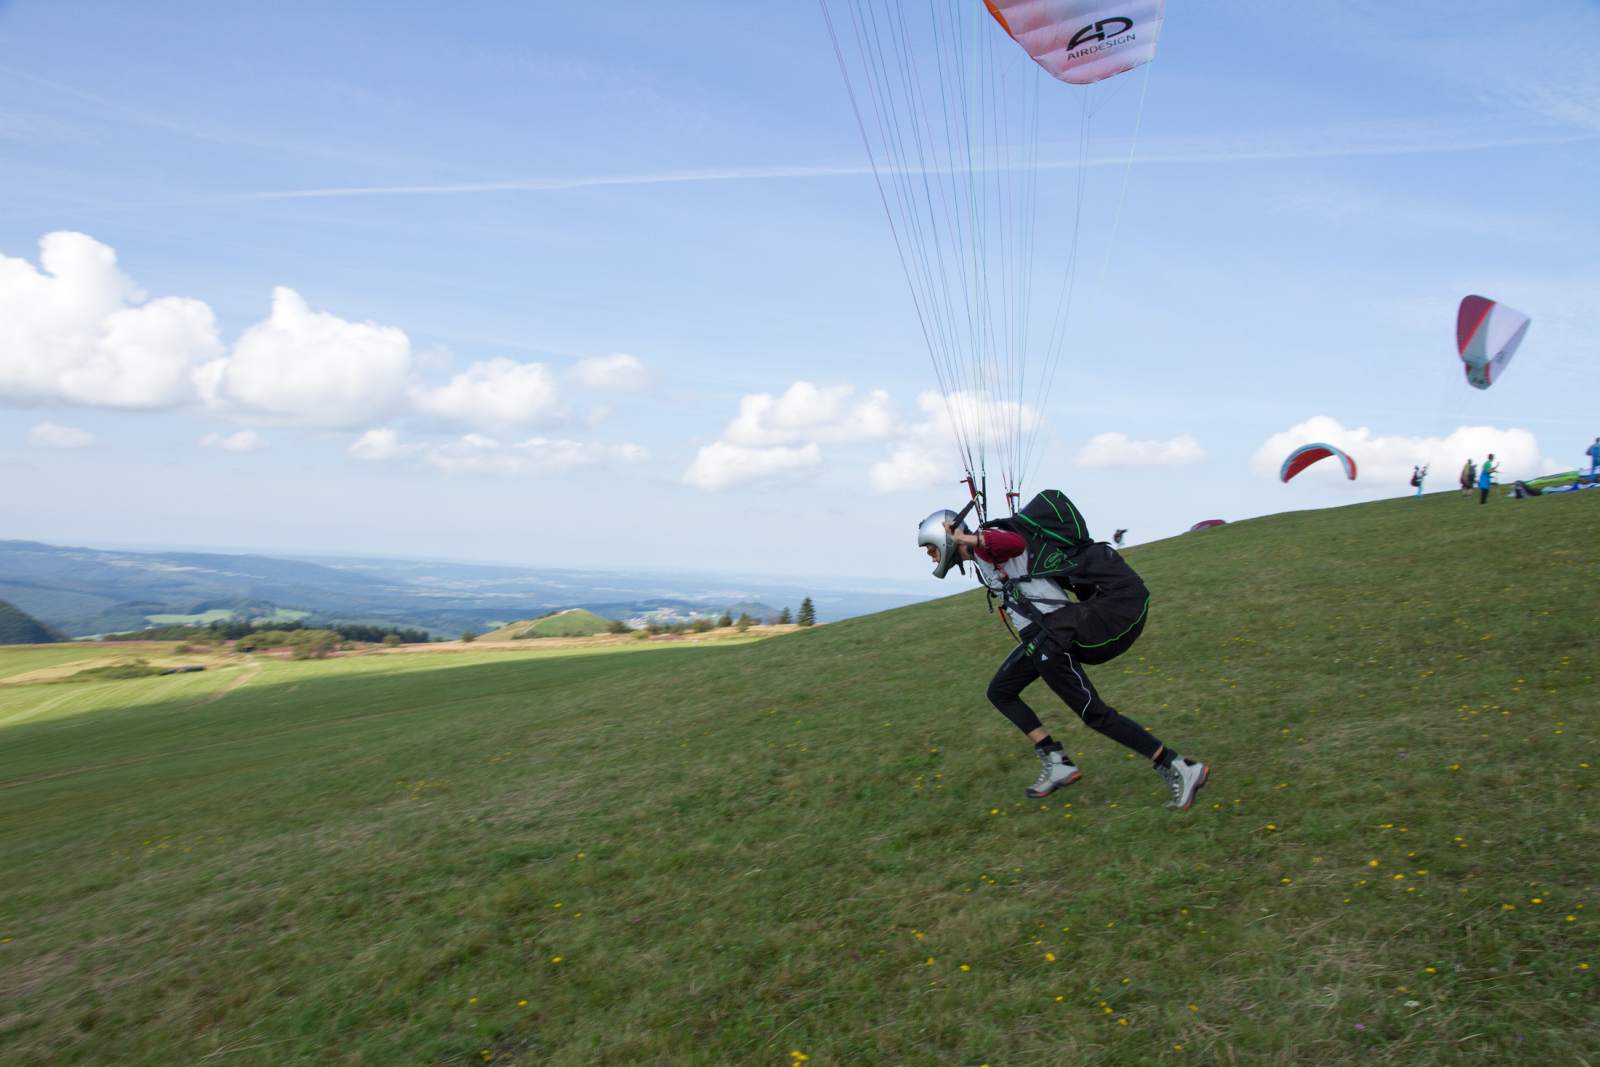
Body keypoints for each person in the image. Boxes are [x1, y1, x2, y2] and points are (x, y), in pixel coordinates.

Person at [916, 496, 1209, 811]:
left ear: (945, 539)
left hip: (1053, 637)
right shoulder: (981, 557)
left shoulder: (988, 545)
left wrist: (970, 538)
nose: (933, 559)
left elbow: (1014, 543)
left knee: (1095, 714)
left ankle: (1178, 766)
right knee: (1000, 691)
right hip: (1039, 639)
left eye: (932, 550)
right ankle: (1056, 760)